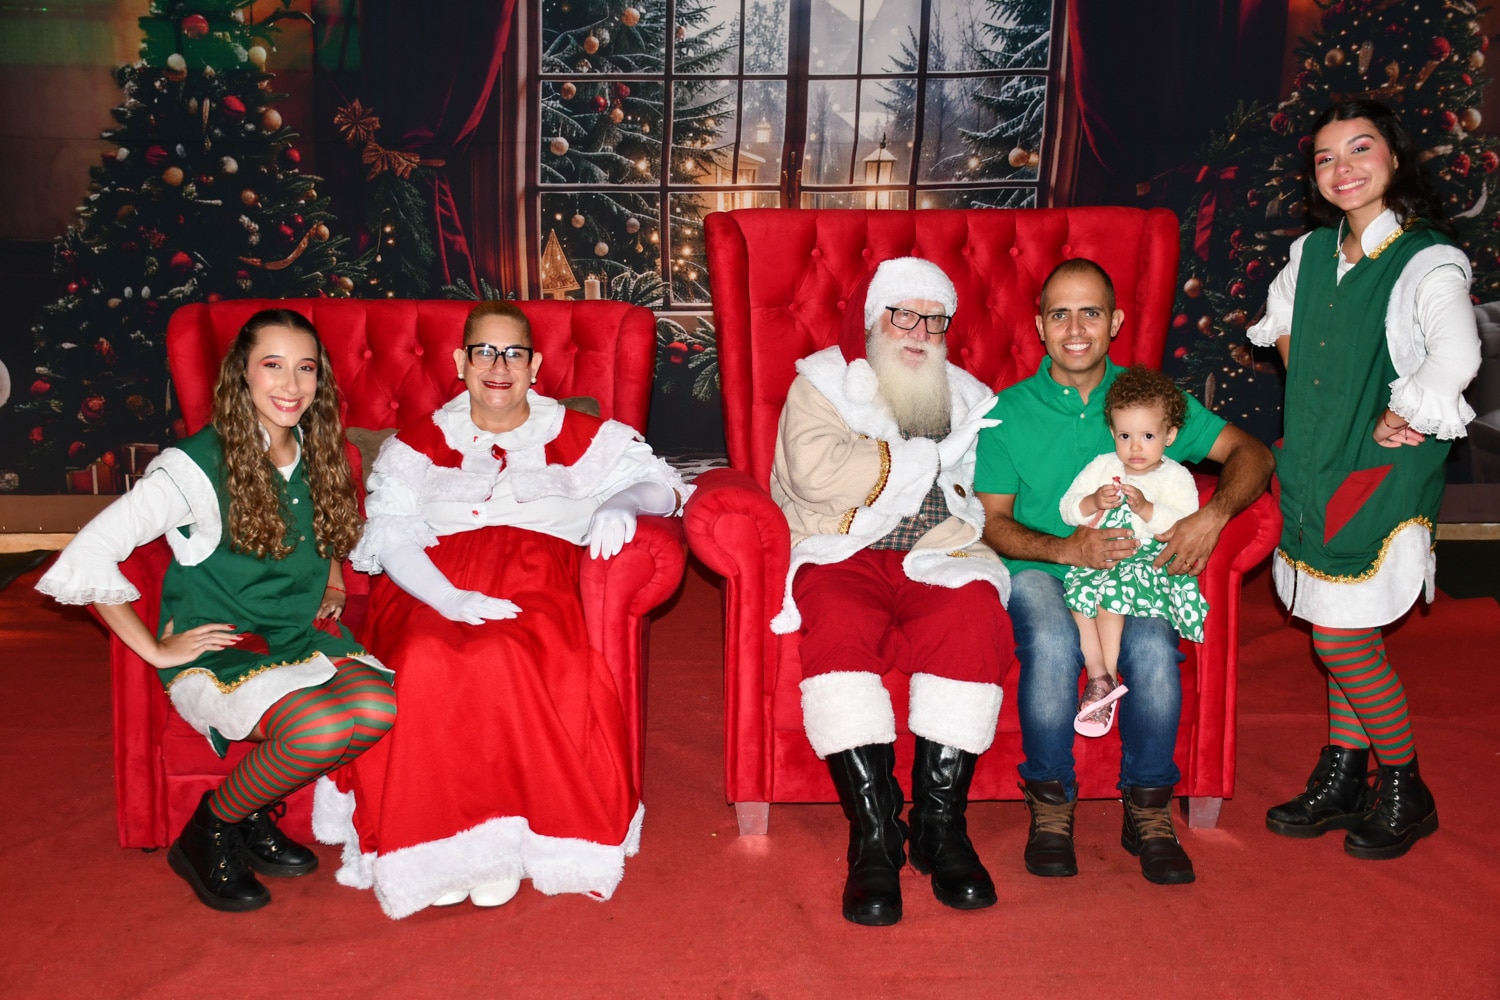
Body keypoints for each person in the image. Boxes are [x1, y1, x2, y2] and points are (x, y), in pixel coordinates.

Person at [314, 301, 687, 919]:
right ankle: (430, 847)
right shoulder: (417, 443)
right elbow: (391, 533)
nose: (498, 366)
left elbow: (667, 486)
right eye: (483, 352)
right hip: (430, 581)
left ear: (535, 365)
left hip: (537, 576)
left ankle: (505, 843)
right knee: (424, 658)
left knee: (506, 653)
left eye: (513, 353)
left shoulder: (580, 434)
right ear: (459, 362)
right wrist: (447, 598)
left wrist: (622, 502)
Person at [36, 308, 396, 913]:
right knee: (321, 729)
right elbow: (87, 554)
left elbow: (322, 524)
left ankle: (251, 815)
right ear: (241, 374)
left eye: (305, 368)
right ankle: (209, 829)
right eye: (272, 366)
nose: (291, 385)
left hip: (294, 634)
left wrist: (333, 574)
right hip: (223, 652)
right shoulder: (193, 466)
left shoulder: (315, 447)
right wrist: (156, 649)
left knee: (378, 708)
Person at [974, 258, 1273, 885]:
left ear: (1115, 322)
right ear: (1039, 325)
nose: (1075, 328)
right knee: (1052, 643)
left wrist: (1212, 516)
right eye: (1059, 314)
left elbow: (1252, 454)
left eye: (1091, 312)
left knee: (1154, 648)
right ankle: (1051, 805)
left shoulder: (1147, 401)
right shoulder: (1004, 412)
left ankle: (1148, 808)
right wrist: (1067, 550)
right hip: (1041, 566)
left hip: (1134, 571)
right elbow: (992, 522)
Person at [1248, 99, 1480, 860]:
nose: (1342, 168)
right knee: (1334, 616)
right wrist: (1318, 392)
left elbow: (1456, 357)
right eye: (1325, 157)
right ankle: (1346, 772)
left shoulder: (1426, 259)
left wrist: (1399, 410)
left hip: (1379, 475)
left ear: (1395, 158)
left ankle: (1406, 785)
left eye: (1360, 148)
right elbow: (1286, 326)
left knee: (1341, 638)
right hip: (1316, 464)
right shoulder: (1312, 252)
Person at [770, 256, 1012, 926]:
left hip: (938, 550)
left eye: (935, 320)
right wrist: (925, 458)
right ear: (874, 319)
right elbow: (817, 473)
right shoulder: (822, 382)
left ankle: (940, 827)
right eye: (904, 315)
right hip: (844, 548)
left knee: (975, 612)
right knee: (839, 627)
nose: (920, 332)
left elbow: (994, 481)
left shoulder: (967, 395)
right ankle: (874, 834)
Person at [1060, 364, 1210, 738]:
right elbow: (1068, 508)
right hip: (1103, 556)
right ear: (1113, 432)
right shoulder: (1103, 467)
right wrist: (1093, 501)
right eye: (1125, 436)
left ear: (1170, 435)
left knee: (1110, 594)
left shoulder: (1175, 476)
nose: (1136, 447)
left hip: (1147, 564)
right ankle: (1098, 675)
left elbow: (1183, 524)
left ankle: (1108, 677)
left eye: (1148, 436)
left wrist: (1146, 509)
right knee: (1076, 594)